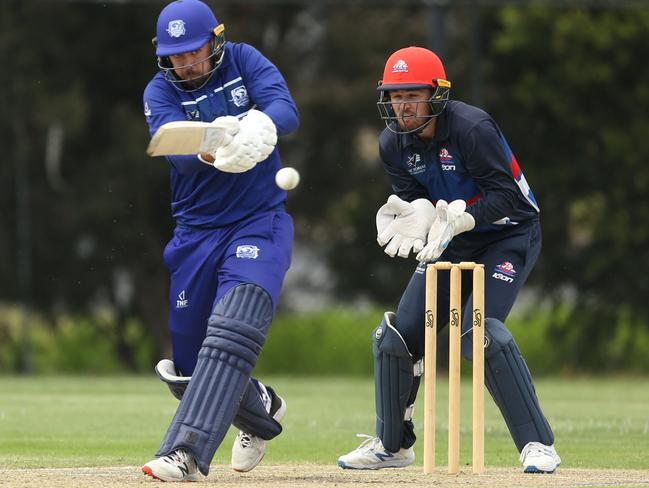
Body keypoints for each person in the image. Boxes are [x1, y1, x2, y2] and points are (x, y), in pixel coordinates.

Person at [337, 46, 561, 473]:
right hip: (450, 238)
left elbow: (508, 197)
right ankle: (393, 446)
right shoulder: (392, 144)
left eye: (412, 95)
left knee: (480, 335)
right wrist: (418, 213)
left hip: (507, 234)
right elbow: (416, 199)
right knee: (397, 337)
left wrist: (463, 218)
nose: (402, 106)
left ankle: (538, 445)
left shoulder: (472, 128)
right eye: (395, 96)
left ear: (437, 94)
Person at [140, 0, 299, 481]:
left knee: (233, 324)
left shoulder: (245, 60)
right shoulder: (157, 90)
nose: (186, 62)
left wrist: (259, 126)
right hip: (195, 233)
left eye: (194, 50)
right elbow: (171, 145)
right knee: (188, 372)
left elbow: (284, 110)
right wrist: (214, 146)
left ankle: (185, 453)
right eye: (176, 55)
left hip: (258, 222)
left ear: (216, 40)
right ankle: (262, 407)